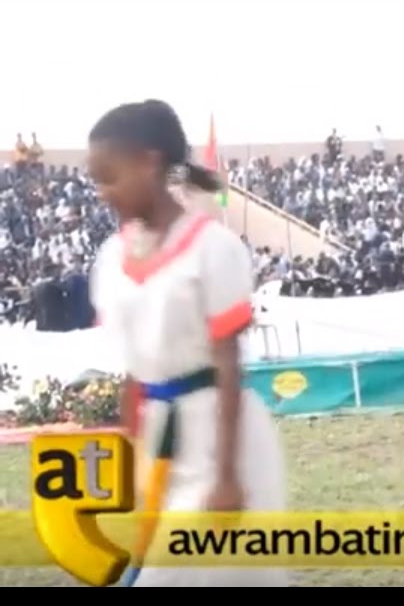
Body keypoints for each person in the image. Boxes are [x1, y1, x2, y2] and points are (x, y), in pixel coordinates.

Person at [86, 100, 287, 587]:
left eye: (109, 176)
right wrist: (132, 442)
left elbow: (228, 364)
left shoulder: (211, 248)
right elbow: (135, 368)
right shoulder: (111, 259)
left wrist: (227, 474)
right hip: (160, 444)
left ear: (148, 163)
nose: (102, 192)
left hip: (217, 441)